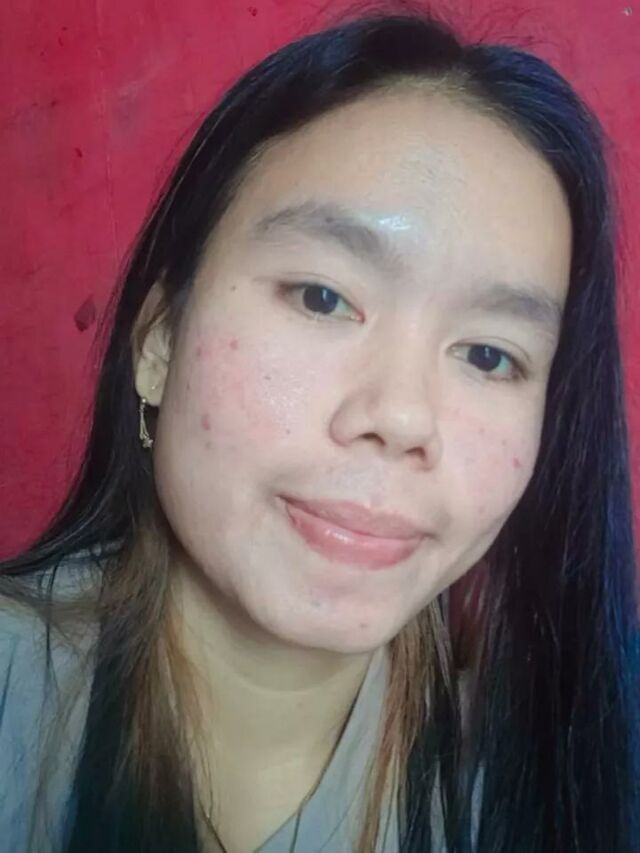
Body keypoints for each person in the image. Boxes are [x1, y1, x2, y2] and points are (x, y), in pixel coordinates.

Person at [1, 5, 638, 852]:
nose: (401, 416)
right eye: (322, 297)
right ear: (158, 344)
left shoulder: (550, 776)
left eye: (489, 355)